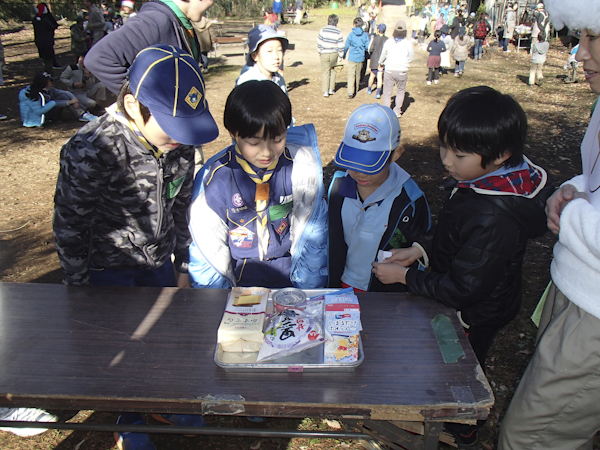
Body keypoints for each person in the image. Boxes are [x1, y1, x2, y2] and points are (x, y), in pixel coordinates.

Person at [53, 45, 219, 449]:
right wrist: (80, 287)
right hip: (107, 272)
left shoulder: (180, 146)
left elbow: (180, 206)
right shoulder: (93, 148)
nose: (180, 140)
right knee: (122, 346)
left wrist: (182, 262)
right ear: (132, 104)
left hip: (158, 262)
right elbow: (70, 223)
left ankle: (160, 400)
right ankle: (129, 417)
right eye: (171, 127)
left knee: (161, 339)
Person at [372, 86, 553, 449]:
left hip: (474, 310)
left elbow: (463, 287)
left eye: (459, 153)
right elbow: (457, 232)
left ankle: (462, 428)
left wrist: (406, 277)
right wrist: (420, 249)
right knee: (454, 359)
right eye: (444, 147)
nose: (447, 161)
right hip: (474, 295)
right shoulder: (485, 183)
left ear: (500, 154)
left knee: (459, 365)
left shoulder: (494, 214)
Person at [497, 4, 600, 447]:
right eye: (580, 37)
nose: (579, 54)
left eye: (595, 38)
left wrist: (573, 213)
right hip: (574, 291)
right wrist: (574, 188)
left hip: (592, 316)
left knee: (528, 438)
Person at [188, 80, 328, 290]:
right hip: (242, 273)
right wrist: (212, 297)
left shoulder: (299, 169)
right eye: (254, 143)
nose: (267, 152)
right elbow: (207, 242)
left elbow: (313, 235)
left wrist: (310, 289)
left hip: (289, 269)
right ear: (233, 133)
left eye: (277, 139)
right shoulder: (219, 178)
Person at [327, 103, 430, 292]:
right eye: (353, 162)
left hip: (386, 293)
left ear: (396, 154)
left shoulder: (410, 199)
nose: (360, 173)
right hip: (341, 284)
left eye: (370, 165)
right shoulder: (337, 187)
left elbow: (426, 242)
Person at [84, 0, 215, 95]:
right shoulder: (154, 21)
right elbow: (97, 58)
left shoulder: (180, 21)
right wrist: (143, 101)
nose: (212, 3)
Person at [19, 72, 97, 127]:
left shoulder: (48, 89)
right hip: (36, 119)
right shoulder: (31, 93)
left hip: (48, 112)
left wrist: (74, 99)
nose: (51, 83)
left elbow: (63, 92)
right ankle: (82, 114)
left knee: (63, 95)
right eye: (49, 81)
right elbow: (39, 111)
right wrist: (68, 102)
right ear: (43, 83)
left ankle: (83, 113)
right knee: (61, 101)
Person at [237, 25, 289, 95]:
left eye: (279, 50)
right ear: (254, 55)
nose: (276, 56)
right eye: (269, 51)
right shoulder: (247, 84)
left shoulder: (279, 79)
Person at [378, 20, 414, 116]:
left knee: (387, 92)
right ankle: (397, 111)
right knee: (401, 91)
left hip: (389, 69)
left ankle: (386, 110)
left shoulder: (389, 42)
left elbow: (383, 55)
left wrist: (380, 63)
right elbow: (411, 57)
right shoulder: (408, 43)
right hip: (402, 70)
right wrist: (405, 61)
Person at [317, 14, 344, 97]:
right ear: (336, 22)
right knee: (333, 70)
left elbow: (319, 42)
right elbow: (341, 45)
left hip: (324, 52)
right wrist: (341, 55)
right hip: (334, 53)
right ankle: (331, 89)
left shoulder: (322, 30)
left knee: (325, 72)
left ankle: (325, 91)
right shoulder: (338, 32)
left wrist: (319, 51)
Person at [344, 17, 370, 99]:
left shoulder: (351, 34)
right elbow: (367, 47)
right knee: (358, 74)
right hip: (361, 58)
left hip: (352, 57)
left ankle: (350, 92)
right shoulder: (364, 35)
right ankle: (356, 88)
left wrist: (344, 54)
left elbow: (346, 46)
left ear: (354, 24)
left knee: (351, 74)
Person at [32, 3, 59, 72]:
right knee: (49, 58)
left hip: (39, 41)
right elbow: (53, 26)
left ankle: (47, 71)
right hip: (47, 42)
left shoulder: (35, 20)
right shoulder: (45, 20)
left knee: (44, 57)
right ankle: (49, 73)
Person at [366, 23, 387, 98]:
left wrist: (371, 54)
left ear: (378, 30)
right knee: (380, 77)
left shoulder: (375, 38)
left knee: (372, 75)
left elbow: (370, 49)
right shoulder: (387, 39)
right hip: (382, 61)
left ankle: (369, 89)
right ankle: (378, 92)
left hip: (374, 59)